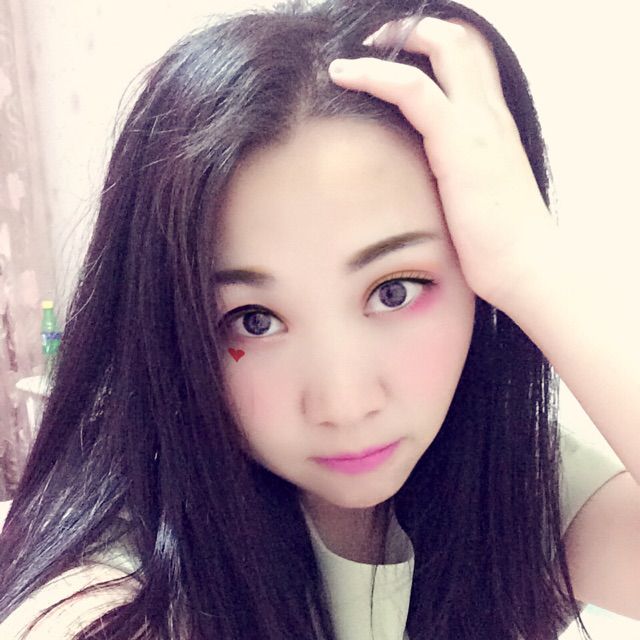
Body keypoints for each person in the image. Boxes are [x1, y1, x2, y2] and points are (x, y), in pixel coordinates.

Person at [0, 0, 638, 638]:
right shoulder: (117, 597)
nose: (344, 404)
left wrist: (534, 266)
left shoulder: (512, 480)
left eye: (394, 291)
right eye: (253, 320)